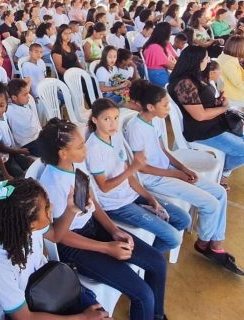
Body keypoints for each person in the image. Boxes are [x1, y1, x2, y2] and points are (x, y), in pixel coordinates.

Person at [38, 117, 169, 320]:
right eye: (81, 146)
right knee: (142, 294)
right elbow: (61, 237)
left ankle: (157, 316)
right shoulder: (51, 184)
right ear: (63, 153)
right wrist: (107, 248)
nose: (86, 150)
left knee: (157, 262)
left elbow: (92, 203)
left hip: (92, 227)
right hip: (74, 245)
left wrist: (113, 230)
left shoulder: (76, 165)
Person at [125, 79, 244, 276]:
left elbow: (163, 150)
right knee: (211, 204)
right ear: (150, 107)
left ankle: (215, 244)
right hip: (154, 179)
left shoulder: (154, 121)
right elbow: (143, 168)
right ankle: (204, 242)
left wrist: (182, 167)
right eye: (165, 105)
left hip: (169, 171)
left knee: (220, 192)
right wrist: (175, 174)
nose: (168, 107)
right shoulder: (136, 128)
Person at [0, 178, 109, 320]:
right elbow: (24, 316)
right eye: (47, 207)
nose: (52, 207)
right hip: (31, 308)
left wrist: (71, 209)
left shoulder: (26, 227)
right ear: (29, 224)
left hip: (50, 282)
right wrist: (82, 317)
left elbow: (55, 235)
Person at [86, 99, 190, 253]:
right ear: (95, 120)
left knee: (183, 219)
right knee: (174, 238)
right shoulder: (93, 148)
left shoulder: (115, 136)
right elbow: (105, 187)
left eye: (116, 118)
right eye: (106, 119)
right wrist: (133, 168)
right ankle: (148, 260)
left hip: (131, 195)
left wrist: (149, 197)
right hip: (115, 205)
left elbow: (130, 178)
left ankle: (153, 249)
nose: (113, 124)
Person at [168, 45, 244, 180]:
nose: (209, 61)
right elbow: (200, 115)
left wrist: (218, 101)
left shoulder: (194, 77)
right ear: (196, 61)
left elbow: (201, 102)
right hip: (203, 129)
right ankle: (222, 173)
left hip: (216, 122)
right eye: (206, 58)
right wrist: (224, 108)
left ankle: (222, 169)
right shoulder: (184, 84)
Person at [0, 81, 33, 178]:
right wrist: (20, 151)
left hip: (11, 152)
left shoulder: (3, 114)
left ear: (7, 103)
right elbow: (2, 148)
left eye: (2, 105)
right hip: (2, 159)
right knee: (21, 176)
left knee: (32, 164)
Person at [6, 78, 43, 157]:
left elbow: (29, 79)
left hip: (38, 137)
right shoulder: (8, 110)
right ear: (14, 98)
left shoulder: (27, 104)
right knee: (50, 152)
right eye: (25, 95)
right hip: (27, 144)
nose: (28, 96)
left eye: (28, 93)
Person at [142, 22, 177, 87]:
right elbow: (170, 66)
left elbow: (175, 57)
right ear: (166, 33)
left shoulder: (156, 44)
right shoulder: (155, 47)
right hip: (157, 75)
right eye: (170, 31)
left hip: (160, 73)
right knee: (179, 86)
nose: (171, 33)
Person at [217, 35, 244, 102]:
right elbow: (241, 85)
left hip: (232, 90)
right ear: (240, 48)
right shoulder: (229, 63)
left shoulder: (225, 56)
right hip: (235, 94)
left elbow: (236, 72)